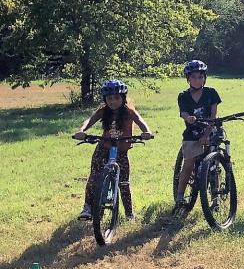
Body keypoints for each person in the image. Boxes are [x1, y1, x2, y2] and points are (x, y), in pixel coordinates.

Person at [73, 80, 154, 221]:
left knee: (123, 182)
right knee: (94, 176)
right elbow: (89, 121)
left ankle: (129, 214)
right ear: (105, 99)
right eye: (109, 98)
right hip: (104, 147)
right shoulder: (103, 111)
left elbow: (141, 121)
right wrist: (81, 131)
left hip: (121, 150)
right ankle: (87, 207)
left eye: (116, 98)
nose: (113, 101)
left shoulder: (129, 111)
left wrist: (146, 132)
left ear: (123, 98)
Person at [173, 60, 220, 216]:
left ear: (204, 78)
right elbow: (183, 113)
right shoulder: (183, 96)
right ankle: (179, 197)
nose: (197, 80)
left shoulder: (211, 93)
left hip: (210, 130)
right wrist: (189, 118)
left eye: (200, 77)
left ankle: (215, 198)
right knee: (188, 164)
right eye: (193, 77)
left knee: (214, 165)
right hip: (192, 133)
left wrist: (207, 134)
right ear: (188, 78)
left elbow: (214, 115)